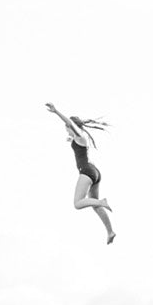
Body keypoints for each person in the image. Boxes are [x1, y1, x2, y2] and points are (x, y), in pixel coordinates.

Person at [45, 103, 116, 243]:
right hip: (95, 172)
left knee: (78, 203)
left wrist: (56, 111)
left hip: (86, 172)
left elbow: (70, 124)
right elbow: (76, 142)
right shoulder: (80, 138)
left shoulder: (80, 135)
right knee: (94, 205)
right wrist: (70, 139)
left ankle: (102, 201)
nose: (67, 131)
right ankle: (110, 231)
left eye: (67, 129)